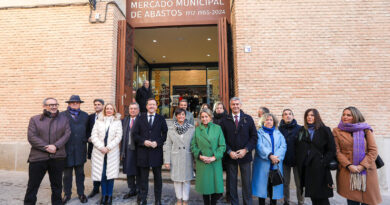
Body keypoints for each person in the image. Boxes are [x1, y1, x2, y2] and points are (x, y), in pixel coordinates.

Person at [24, 98, 71, 205]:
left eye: (55, 104)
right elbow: (32, 137)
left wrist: (56, 146)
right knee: (33, 186)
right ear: (44, 106)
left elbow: (67, 134)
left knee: (57, 186)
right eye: (51, 105)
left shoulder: (64, 119)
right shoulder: (35, 119)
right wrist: (46, 147)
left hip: (57, 157)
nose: (54, 107)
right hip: (38, 158)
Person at [333, 106, 382, 205]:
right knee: (352, 201)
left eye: (348, 115)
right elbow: (337, 151)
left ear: (355, 117)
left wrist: (361, 166)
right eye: (343, 114)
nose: (345, 117)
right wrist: (349, 165)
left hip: (367, 171)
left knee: (368, 201)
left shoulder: (366, 129)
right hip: (348, 171)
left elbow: (373, 150)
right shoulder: (336, 131)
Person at [220, 97, 257, 205]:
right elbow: (221, 139)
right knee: (232, 183)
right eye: (233, 104)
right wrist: (229, 151)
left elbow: (254, 137)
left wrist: (246, 150)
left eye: (237, 104)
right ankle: (234, 203)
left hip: (245, 156)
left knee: (246, 182)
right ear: (230, 106)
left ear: (240, 105)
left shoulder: (248, 119)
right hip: (231, 157)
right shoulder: (224, 120)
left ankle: (248, 203)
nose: (235, 106)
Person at [295, 109, 336, 205]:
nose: (309, 117)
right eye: (307, 115)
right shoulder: (302, 130)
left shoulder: (325, 130)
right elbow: (298, 147)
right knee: (313, 196)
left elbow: (331, 150)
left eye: (312, 115)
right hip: (307, 168)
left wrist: (323, 162)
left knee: (322, 196)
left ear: (316, 117)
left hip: (320, 168)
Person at [133, 98, 168, 205]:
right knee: (143, 178)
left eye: (154, 104)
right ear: (146, 106)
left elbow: (165, 134)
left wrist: (158, 142)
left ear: (156, 107)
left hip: (156, 152)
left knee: (158, 178)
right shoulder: (140, 118)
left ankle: (158, 200)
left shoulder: (161, 118)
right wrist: (144, 141)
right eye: (150, 104)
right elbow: (135, 134)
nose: (152, 106)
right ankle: (143, 199)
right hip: (143, 152)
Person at [191, 108, 226, 205]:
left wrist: (214, 157)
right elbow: (193, 146)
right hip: (203, 163)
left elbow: (222, 146)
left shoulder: (217, 128)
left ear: (210, 117)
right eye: (202, 117)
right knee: (205, 188)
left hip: (215, 162)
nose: (204, 119)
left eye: (206, 116)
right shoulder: (197, 130)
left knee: (215, 187)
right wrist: (200, 156)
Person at [90, 103, 122, 205]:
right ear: (104, 110)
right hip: (100, 152)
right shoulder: (98, 121)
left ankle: (109, 196)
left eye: (110, 109)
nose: (108, 110)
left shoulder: (117, 122)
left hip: (111, 152)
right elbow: (93, 136)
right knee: (102, 174)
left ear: (114, 110)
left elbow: (118, 137)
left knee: (110, 175)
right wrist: (101, 147)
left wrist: (108, 147)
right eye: (107, 109)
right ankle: (103, 196)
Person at [252, 113, 287, 205]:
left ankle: (273, 203)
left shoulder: (278, 133)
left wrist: (276, 157)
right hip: (263, 164)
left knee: (274, 186)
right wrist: (270, 155)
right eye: (266, 120)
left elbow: (283, 146)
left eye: (271, 120)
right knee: (262, 187)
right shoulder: (259, 133)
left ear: (274, 122)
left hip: (275, 164)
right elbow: (259, 146)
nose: (269, 121)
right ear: (263, 122)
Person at [164, 108, 195, 205]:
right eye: (179, 114)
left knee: (186, 180)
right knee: (177, 180)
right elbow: (168, 145)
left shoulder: (192, 128)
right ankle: (179, 199)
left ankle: (185, 200)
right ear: (176, 116)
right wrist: (167, 161)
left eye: (183, 114)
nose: (181, 116)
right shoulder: (171, 129)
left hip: (187, 156)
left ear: (185, 116)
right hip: (175, 157)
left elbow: (194, 144)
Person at [62, 95, 89, 204]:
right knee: (67, 175)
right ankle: (67, 194)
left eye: (77, 102)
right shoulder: (62, 115)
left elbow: (88, 130)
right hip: (67, 149)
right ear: (69, 104)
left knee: (80, 173)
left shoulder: (85, 116)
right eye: (72, 102)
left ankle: (81, 193)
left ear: (79, 104)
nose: (74, 104)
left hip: (80, 149)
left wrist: (86, 139)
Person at [278, 109, 304, 205]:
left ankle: (301, 202)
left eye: (290, 114)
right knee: (285, 183)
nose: (288, 116)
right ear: (282, 117)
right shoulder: (279, 130)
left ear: (293, 116)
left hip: (298, 161)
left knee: (299, 183)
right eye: (285, 114)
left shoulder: (300, 128)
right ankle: (286, 201)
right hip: (285, 160)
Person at [121, 102, 141, 200]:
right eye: (131, 108)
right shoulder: (125, 120)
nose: (132, 110)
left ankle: (139, 190)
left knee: (139, 171)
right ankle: (132, 189)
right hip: (127, 149)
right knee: (129, 170)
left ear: (138, 110)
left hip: (138, 149)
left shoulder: (141, 120)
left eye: (135, 109)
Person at [87, 98, 104, 198]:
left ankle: (104, 189)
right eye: (95, 104)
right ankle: (95, 188)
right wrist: (88, 137)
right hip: (93, 147)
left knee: (103, 169)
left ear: (102, 106)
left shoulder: (107, 116)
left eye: (99, 104)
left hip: (103, 148)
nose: (97, 106)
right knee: (95, 168)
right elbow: (87, 130)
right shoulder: (90, 117)